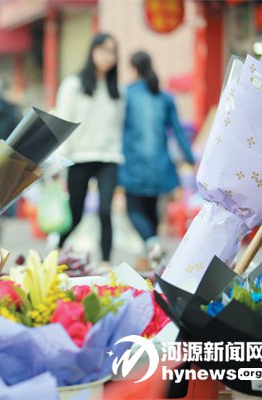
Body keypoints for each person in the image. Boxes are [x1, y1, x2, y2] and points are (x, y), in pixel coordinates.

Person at [120, 50, 195, 269]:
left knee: (133, 210)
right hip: (160, 166)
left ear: (133, 68)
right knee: (151, 211)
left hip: (134, 164)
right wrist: (190, 158)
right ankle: (151, 259)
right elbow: (178, 131)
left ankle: (152, 245)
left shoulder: (126, 94)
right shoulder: (165, 97)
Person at [55, 33, 123, 269]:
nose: (108, 57)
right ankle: (55, 250)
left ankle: (105, 262)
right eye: (103, 50)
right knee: (75, 213)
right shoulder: (73, 85)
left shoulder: (117, 90)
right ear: (92, 51)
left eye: (112, 52)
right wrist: (59, 161)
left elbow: (119, 125)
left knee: (105, 210)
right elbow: (63, 121)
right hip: (79, 157)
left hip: (109, 157)